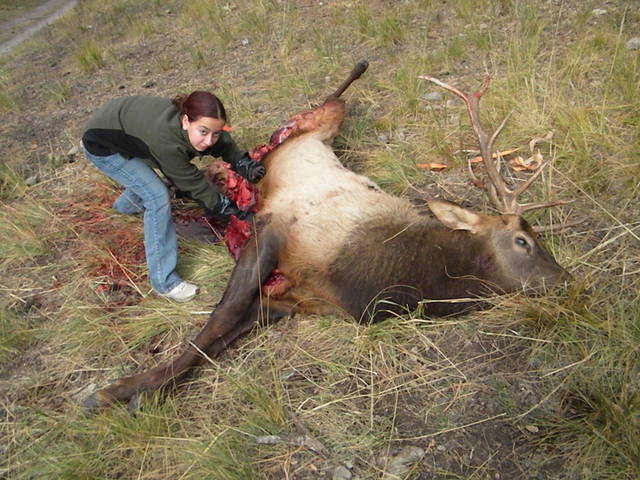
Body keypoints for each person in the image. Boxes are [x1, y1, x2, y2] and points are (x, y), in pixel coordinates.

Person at [81, 91, 265, 302]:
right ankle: (164, 283)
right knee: (157, 197)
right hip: (102, 144)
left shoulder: (202, 126)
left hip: (129, 132)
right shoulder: (166, 141)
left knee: (147, 182)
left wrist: (242, 162)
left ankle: (122, 210)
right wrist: (230, 210)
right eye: (203, 132)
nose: (209, 141)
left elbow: (223, 143)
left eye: (215, 133)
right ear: (185, 121)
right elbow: (193, 185)